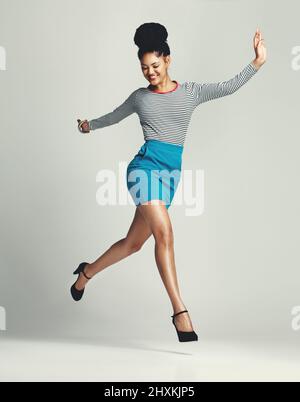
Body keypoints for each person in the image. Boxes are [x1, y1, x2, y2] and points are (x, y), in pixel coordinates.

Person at [72, 22, 267, 342]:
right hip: (143, 170)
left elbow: (228, 86)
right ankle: (180, 313)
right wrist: (88, 125)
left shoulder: (191, 92)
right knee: (165, 233)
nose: (149, 72)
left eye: (155, 65)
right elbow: (114, 116)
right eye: (144, 67)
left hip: (170, 177)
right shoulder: (139, 97)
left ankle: (86, 273)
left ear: (168, 60)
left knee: (133, 244)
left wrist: (256, 63)